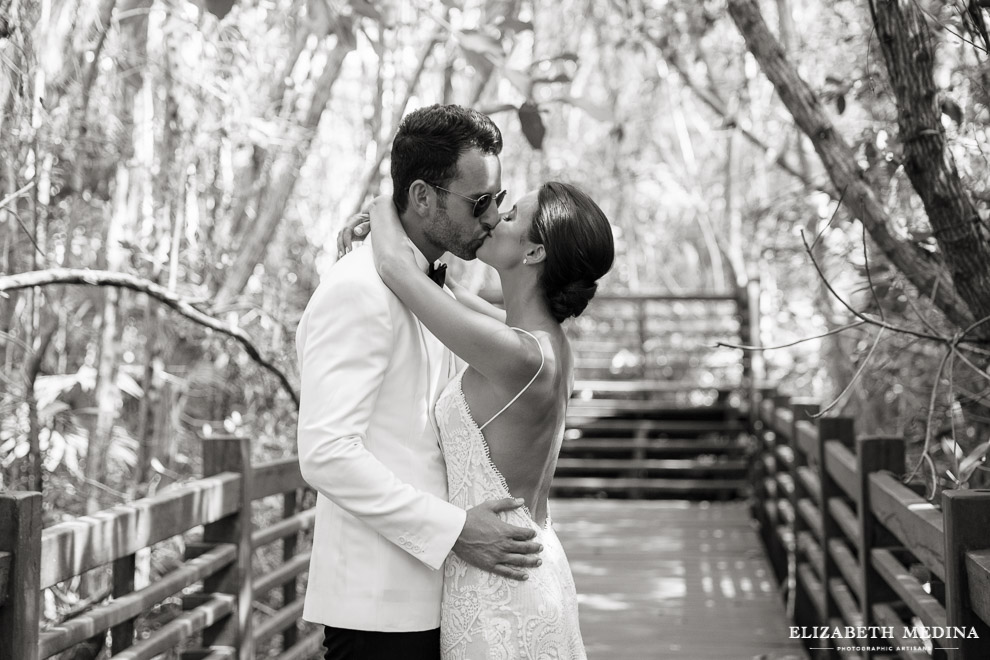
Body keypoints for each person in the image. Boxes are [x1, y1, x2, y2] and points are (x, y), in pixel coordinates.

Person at [295, 104, 543, 660]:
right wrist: (456, 529)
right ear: (423, 197)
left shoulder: (435, 293)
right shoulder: (357, 290)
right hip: (378, 609)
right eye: (480, 202)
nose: (491, 218)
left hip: (446, 600)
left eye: (499, 201)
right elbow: (325, 452)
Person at [362, 180, 615, 659]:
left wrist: (383, 206)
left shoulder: (519, 355)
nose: (494, 218)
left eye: (512, 215)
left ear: (535, 251)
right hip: (521, 568)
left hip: (501, 588)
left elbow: (397, 270)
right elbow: (447, 291)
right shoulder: (543, 344)